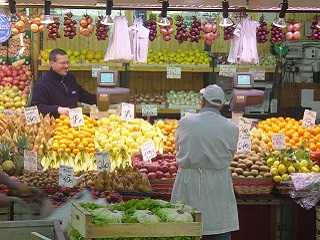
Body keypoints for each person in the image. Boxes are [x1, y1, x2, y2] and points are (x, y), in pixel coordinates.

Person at [171, 84, 239, 240]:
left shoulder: (186, 122)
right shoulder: (232, 127)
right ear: (221, 104)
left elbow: (178, 147)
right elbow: (230, 154)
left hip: (189, 182)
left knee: (186, 227)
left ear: (202, 101)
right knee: (218, 229)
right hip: (219, 185)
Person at [31, 48, 96, 117]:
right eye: (62, 63)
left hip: (74, 122)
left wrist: (102, 99)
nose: (66, 66)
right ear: (51, 64)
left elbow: (82, 95)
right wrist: (57, 109)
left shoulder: (70, 77)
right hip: (56, 124)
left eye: (67, 62)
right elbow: (36, 107)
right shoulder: (42, 83)